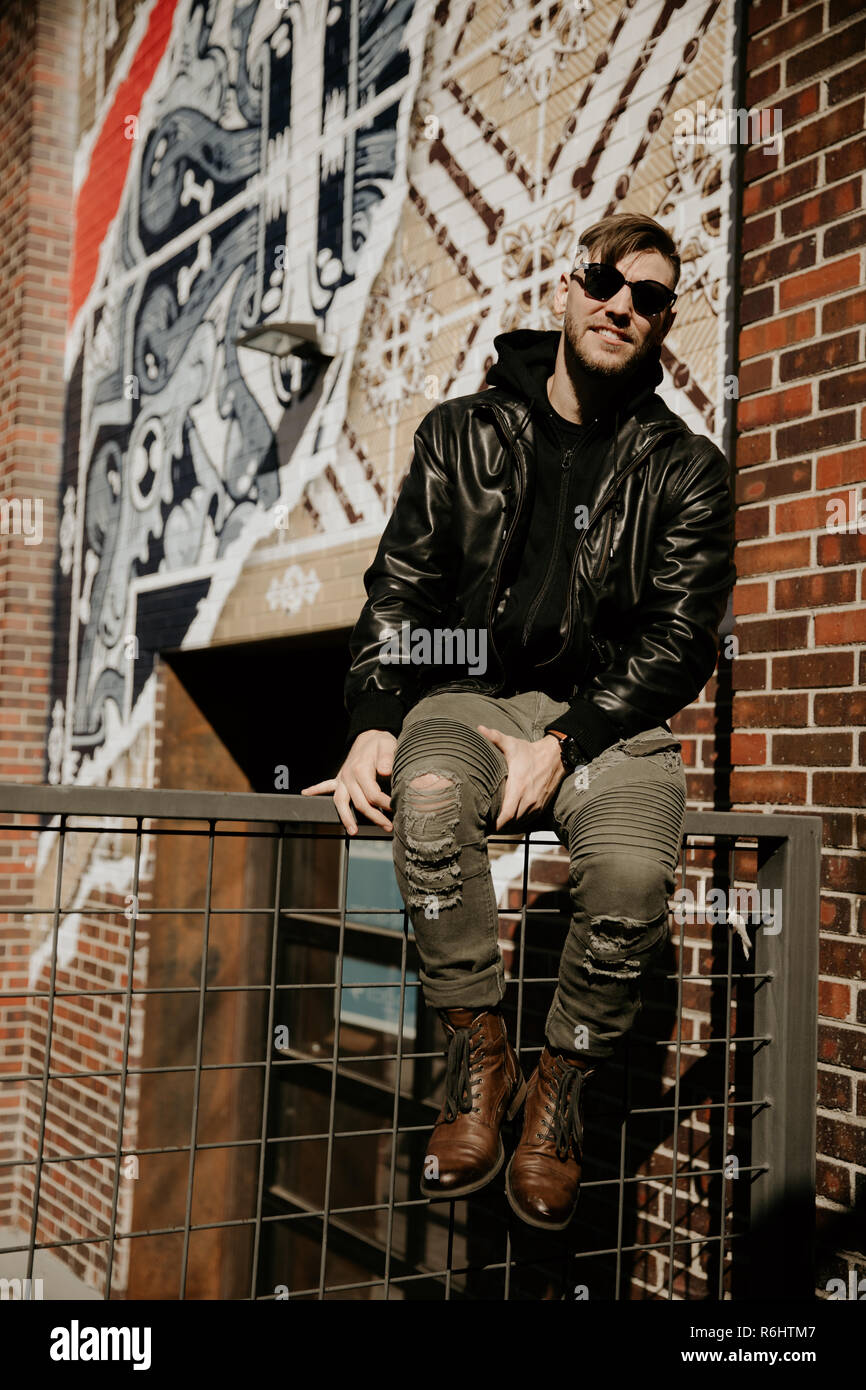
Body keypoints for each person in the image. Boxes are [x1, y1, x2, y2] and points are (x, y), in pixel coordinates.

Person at [302, 212, 736, 1230]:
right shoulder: (461, 432)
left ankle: (559, 1096)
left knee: (630, 880)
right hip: (467, 692)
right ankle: (475, 1055)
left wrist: (565, 741)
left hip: (605, 716)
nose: (620, 305)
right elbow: (401, 588)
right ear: (564, 287)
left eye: (648, 297)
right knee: (429, 794)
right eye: (602, 281)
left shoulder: (685, 468)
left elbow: (678, 639)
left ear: (663, 321)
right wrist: (372, 716)